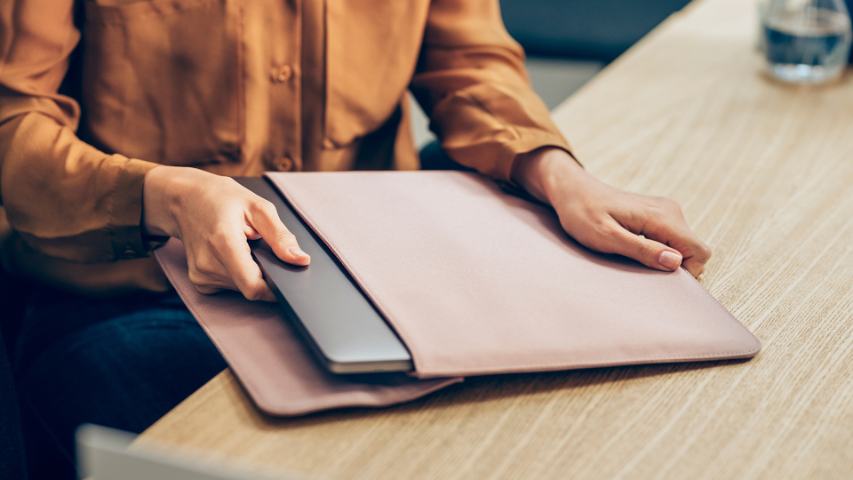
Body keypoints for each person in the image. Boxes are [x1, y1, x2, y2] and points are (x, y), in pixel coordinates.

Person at [0, 0, 711, 478]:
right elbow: (12, 122)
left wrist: (554, 173)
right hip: (132, 287)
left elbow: (469, 62)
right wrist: (158, 193)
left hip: (377, 262)